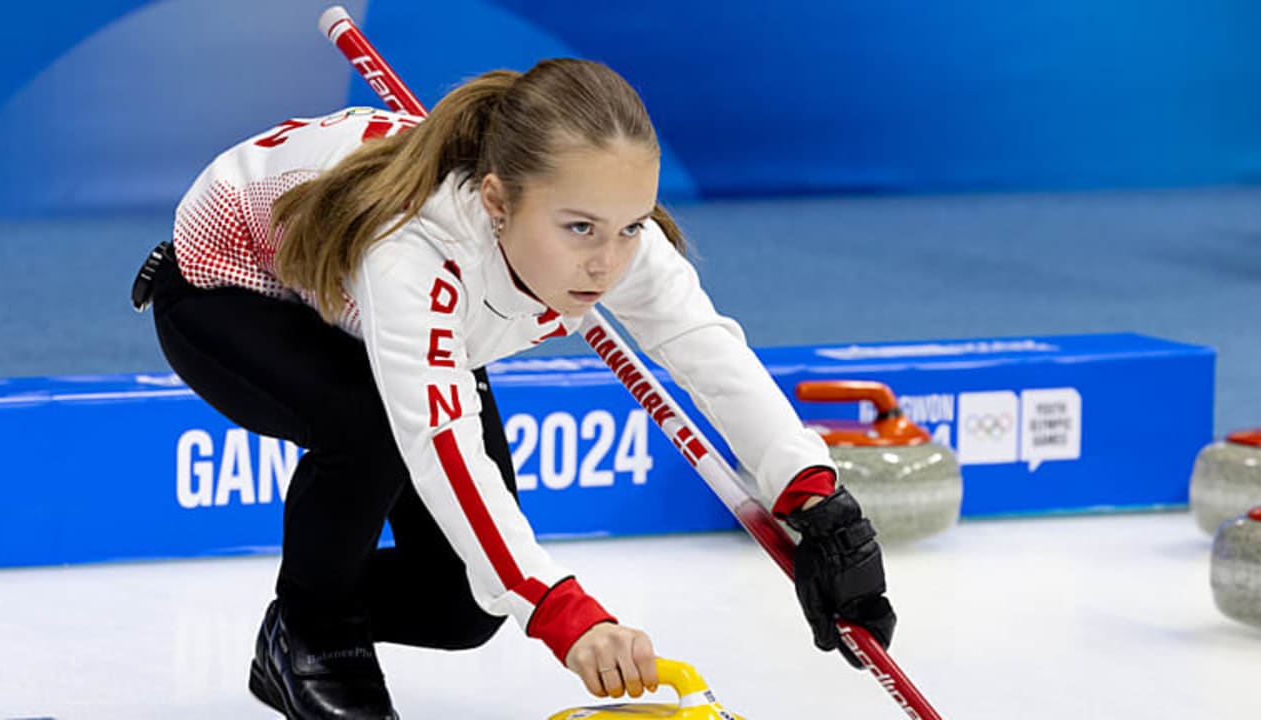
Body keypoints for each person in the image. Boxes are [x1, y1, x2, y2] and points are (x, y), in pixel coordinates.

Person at [136, 58, 895, 719]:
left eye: (630, 226)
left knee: (465, 601)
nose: (608, 263)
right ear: (497, 203)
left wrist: (817, 498)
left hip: (356, 308)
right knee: (369, 429)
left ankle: (310, 600)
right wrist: (567, 614)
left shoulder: (615, 240)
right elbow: (444, 453)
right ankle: (311, 632)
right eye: (580, 230)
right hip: (230, 290)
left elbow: (705, 350)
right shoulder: (418, 250)